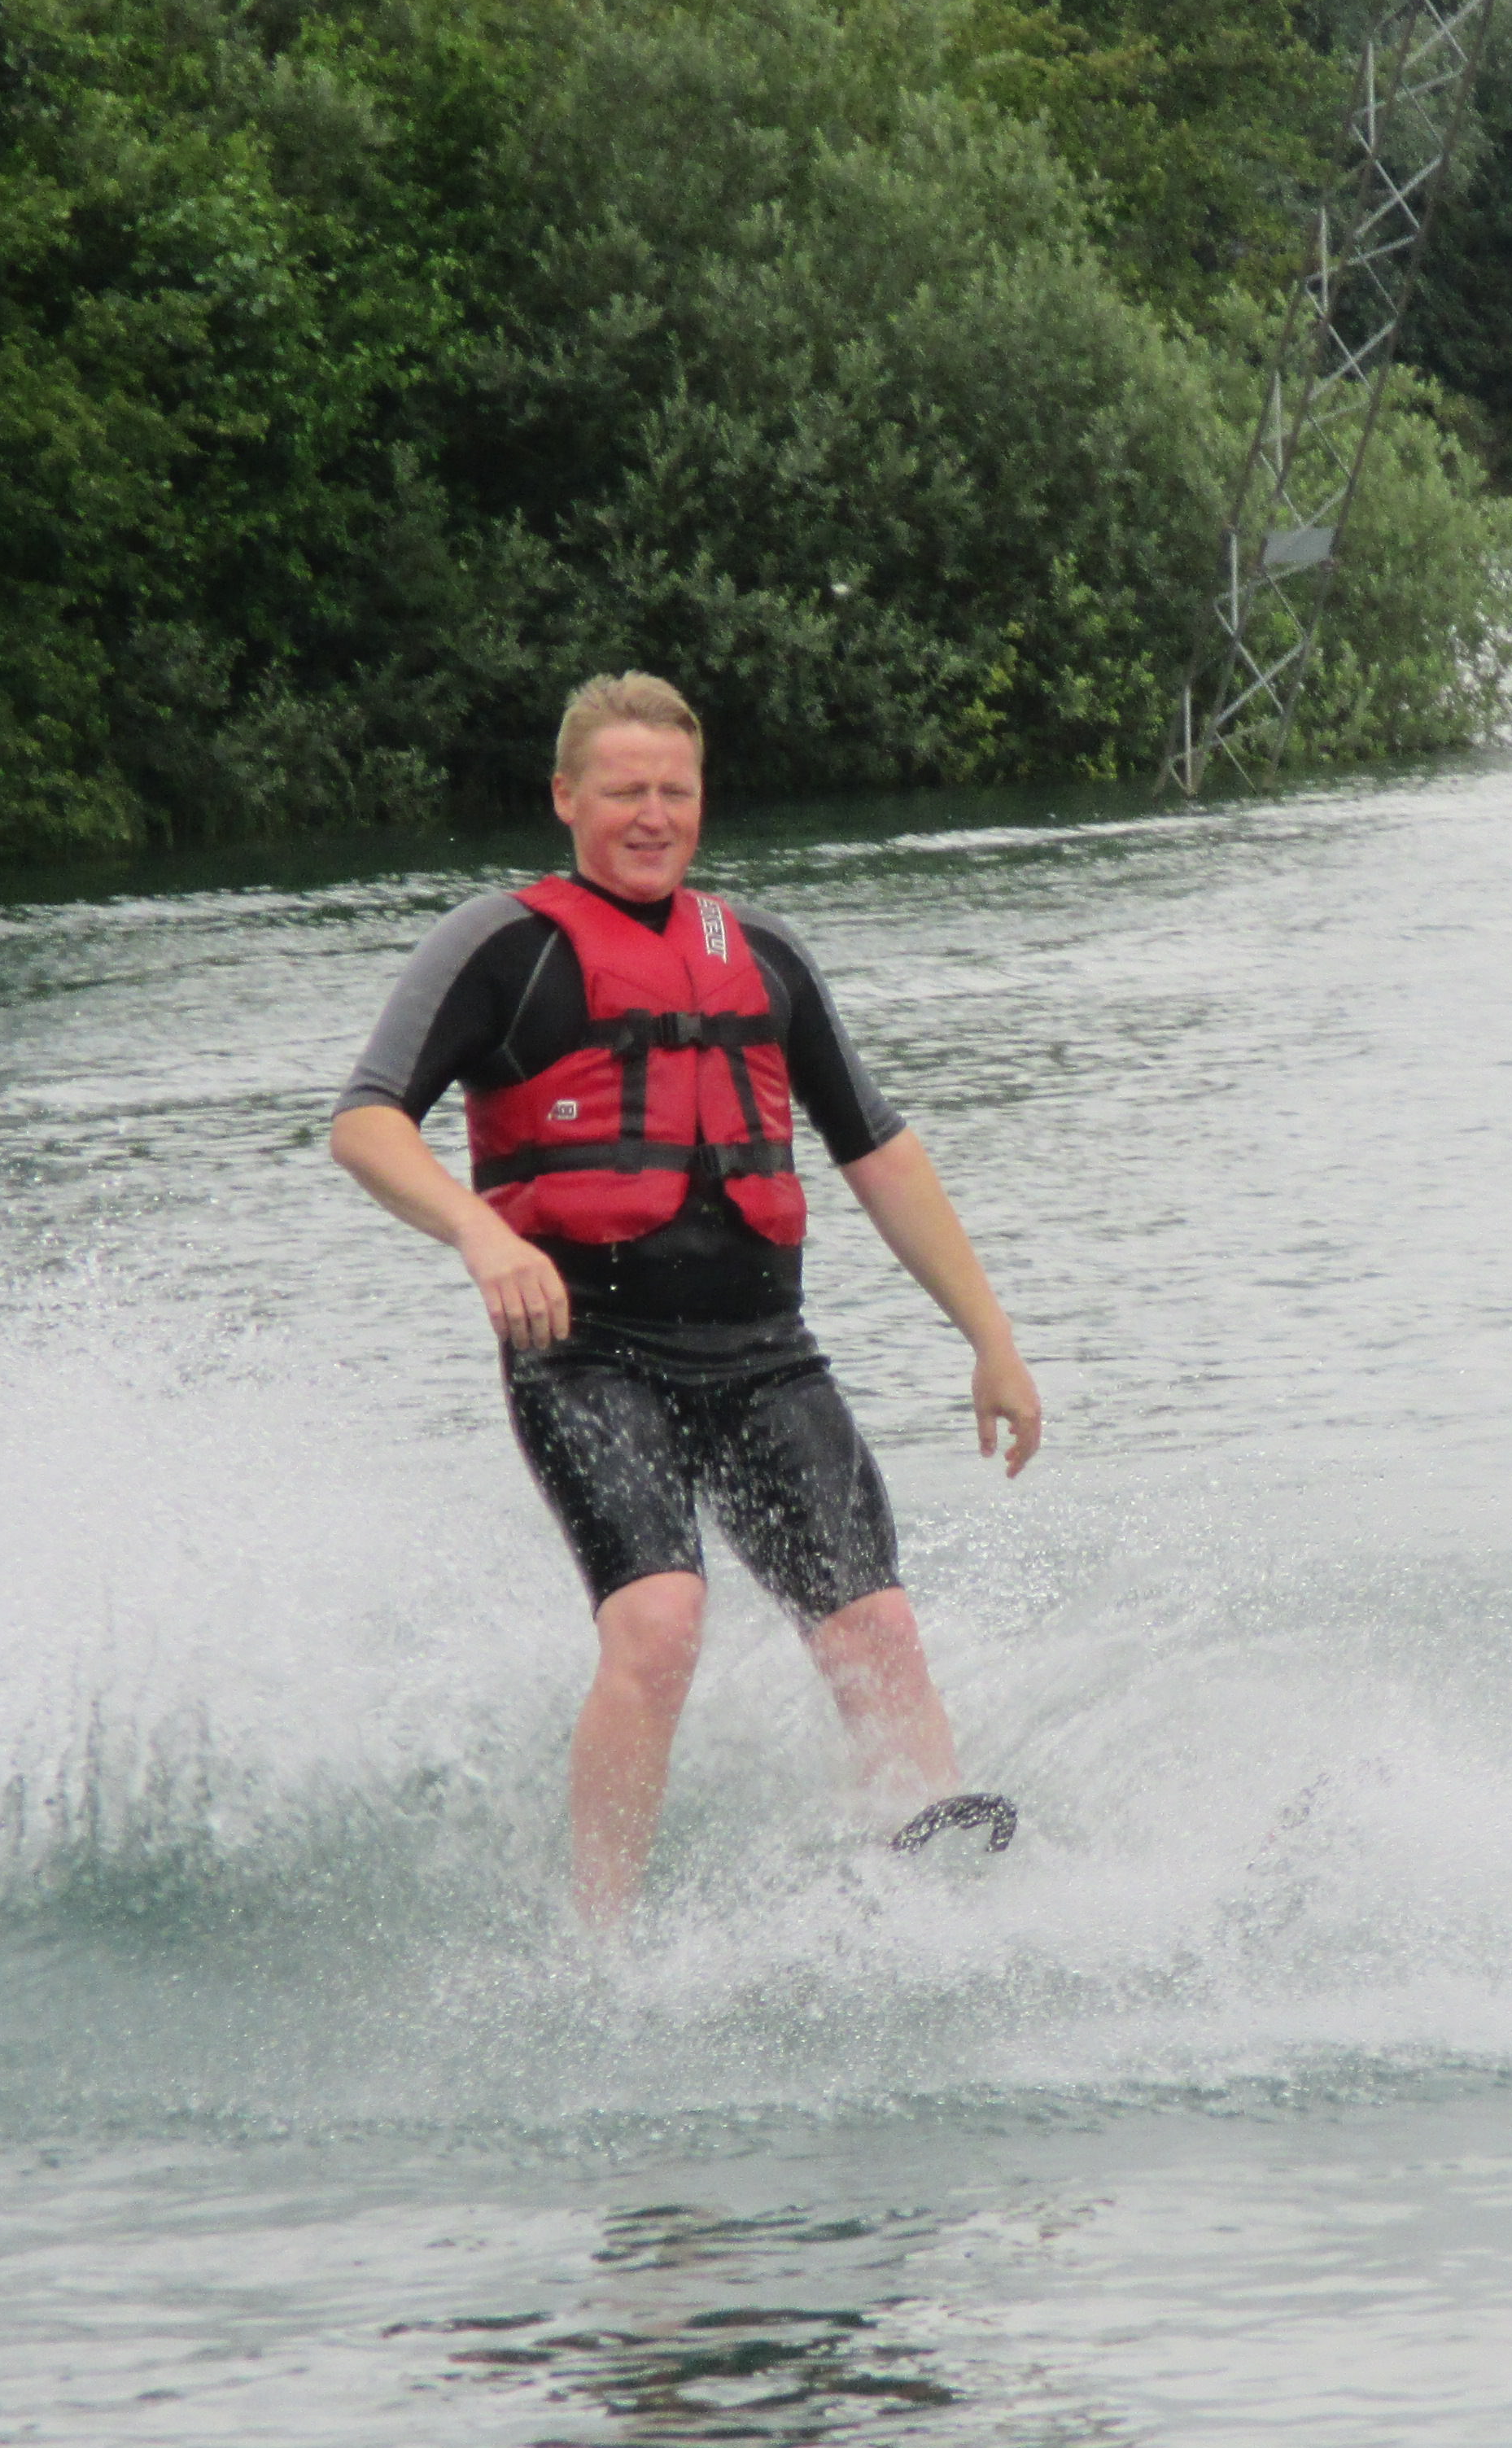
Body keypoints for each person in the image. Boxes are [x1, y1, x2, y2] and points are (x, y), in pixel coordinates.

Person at [329, 672, 1041, 1923]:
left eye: (675, 790)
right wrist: (480, 1233)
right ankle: (600, 1942)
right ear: (565, 797)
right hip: (588, 1352)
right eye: (624, 791)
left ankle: (940, 1893)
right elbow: (365, 1122)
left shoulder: (763, 955)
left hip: (765, 1353)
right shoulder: (501, 948)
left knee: (875, 1628)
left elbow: (880, 1152)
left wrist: (991, 1339)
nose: (652, 815)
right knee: (661, 1623)